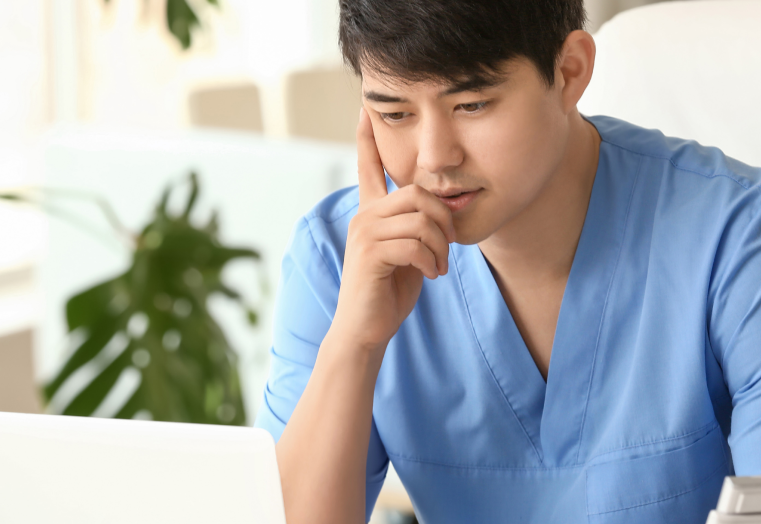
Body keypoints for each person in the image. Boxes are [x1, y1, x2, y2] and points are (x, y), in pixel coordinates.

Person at [254, 1, 761, 522]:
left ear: (569, 73)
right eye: (394, 114)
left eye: (471, 105)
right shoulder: (339, 260)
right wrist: (353, 345)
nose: (433, 159)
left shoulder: (736, 239)